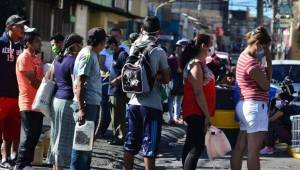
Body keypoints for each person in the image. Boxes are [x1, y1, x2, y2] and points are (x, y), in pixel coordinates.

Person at [123, 16, 170, 170]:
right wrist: (159, 75)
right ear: (159, 32)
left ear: (142, 30)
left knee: (130, 144)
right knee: (149, 148)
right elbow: (166, 78)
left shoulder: (134, 47)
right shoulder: (159, 51)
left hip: (133, 103)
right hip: (152, 105)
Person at [231, 26, 272, 170]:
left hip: (244, 105)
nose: (263, 49)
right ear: (259, 43)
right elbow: (267, 86)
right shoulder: (252, 63)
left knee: (240, 147)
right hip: (255, 106)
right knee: (253, 151)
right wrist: (268, 57)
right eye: (264, 46)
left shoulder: (243, 56)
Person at [71, 27, 106, 170]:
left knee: (86, 147)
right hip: (87, 105)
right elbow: (80, 83)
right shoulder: (88, 55)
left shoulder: (91, 54)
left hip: (90, 104)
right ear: (101, 42)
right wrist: (81, 109)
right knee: (81, 148)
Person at [47, 34, 83, 170]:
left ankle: (55, 168)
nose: (82, 47)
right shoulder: (74, 61)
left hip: (56, 101)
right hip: (67, 102)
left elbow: (48, 78)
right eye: (80, 44)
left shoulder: (57, 59)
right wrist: (80, 106)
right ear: (75, 45)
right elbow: (76, 85)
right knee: (64, 141)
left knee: (55, 138)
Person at [180, 34, 216, 170]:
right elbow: (198, 92)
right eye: (210, 45)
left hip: (197, 110)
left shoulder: (199, 64)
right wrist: (207, 115)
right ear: (203, 46)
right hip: (196, 111)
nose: (211, 48)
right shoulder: (195, 65)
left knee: (191, 145)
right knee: (197, 146)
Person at [15, 30, 44, 170]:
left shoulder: (37, 58)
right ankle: (20, 165)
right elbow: (33, 81)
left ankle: (27, 163)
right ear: (28, 43)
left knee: (35, 135)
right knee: (28, 136)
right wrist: (48, 88)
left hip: (38, 102)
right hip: (27, 102)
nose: (40, 43)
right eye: (37, 41)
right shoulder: (24, 57)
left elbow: (42, 77)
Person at [0, 14, 26, 169]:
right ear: (10, 27)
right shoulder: (0, 42)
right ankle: (3, 157)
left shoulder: (22, 46)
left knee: (12, 129)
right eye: (20, 25)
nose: (23, 28)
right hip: (1, 94)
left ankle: (9, 156)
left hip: (17, 95)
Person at [106, 36, 129, 145]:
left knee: (118, 116)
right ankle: (117, 136)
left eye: (108, 46)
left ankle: (120, 138)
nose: (108, 49)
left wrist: (118, 79)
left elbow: (128, 71)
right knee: (113, 116)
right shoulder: (115, 54)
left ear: (113, 44)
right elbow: (116, 69)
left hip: (118, 91)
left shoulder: (122, 55)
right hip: (112, 89)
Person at [167, 39, 188, 124]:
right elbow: (179, 70)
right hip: (174, 82)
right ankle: (172, 118)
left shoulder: (180, 58)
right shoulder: (172, 59)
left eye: (181, 48)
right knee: (172, 100)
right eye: (178, 48)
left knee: (177, 101)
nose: (180, 50)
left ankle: (175, 118)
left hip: (179, 82)